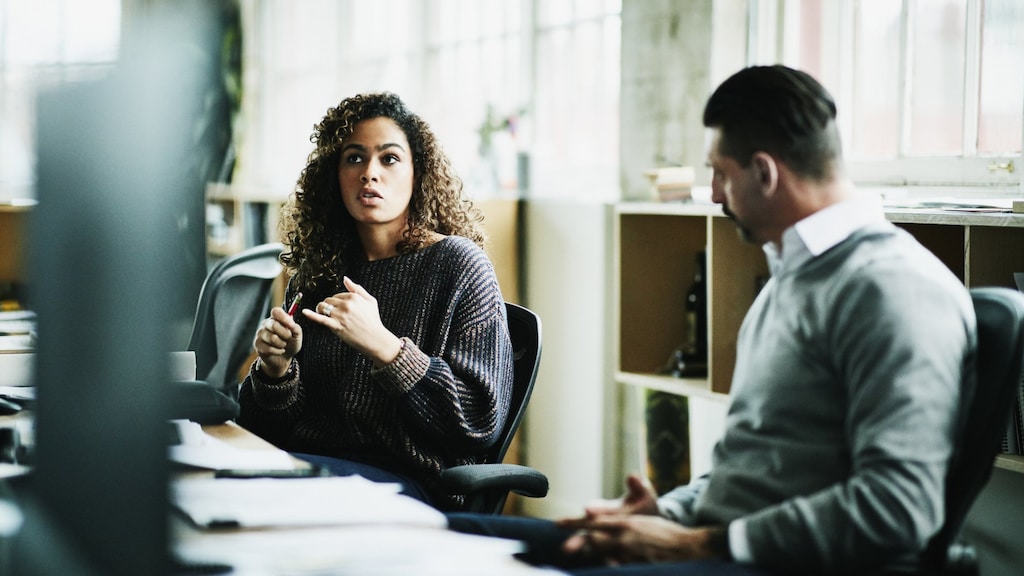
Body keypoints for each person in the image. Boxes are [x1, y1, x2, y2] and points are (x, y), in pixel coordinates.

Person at [448, 65, 977, 576]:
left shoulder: (893, 290)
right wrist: (665, 516)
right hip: (717, 544)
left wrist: (695, 542)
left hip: (766, 562)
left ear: (766, 173)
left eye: (720, 174)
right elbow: (750, 469)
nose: (715, 194)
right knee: (444, 537)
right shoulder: (791, 277)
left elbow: (899, 508)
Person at [238, 92, 515, 511]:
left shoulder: (460, 266)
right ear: (334, 176)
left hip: (408, 488)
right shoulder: (317, 274)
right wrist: (275, 374)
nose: (370, 173)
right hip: (309, 473)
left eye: (389, 159)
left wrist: (385, 347)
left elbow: (479, 421)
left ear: (417, 174)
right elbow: (263, 431)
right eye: (354, 158)